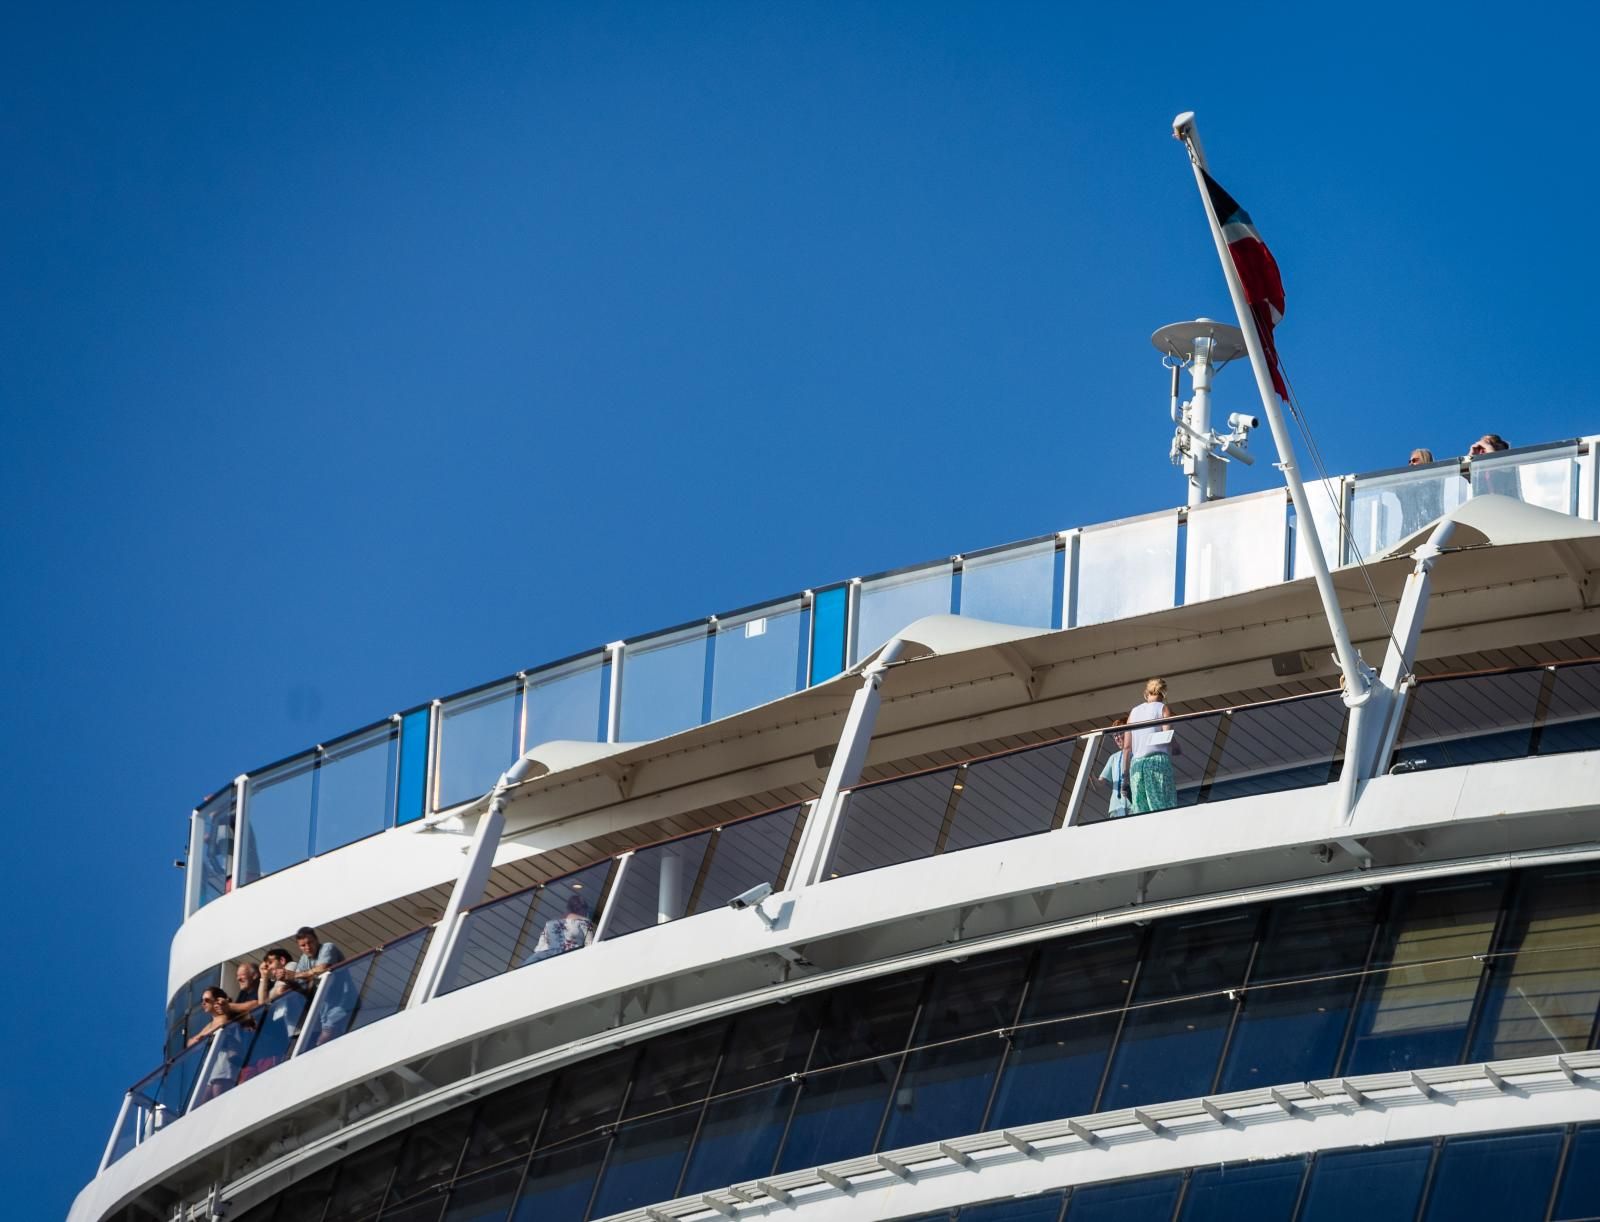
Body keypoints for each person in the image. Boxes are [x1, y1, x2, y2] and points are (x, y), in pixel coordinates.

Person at [186, 987, 256, 1102]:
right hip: (213, 1065)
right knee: (202, 1103)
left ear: (217, 1001)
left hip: (225, 1063)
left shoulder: (225, 1019)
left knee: (219, 1098)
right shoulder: (211, 1024)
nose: (203, 1003)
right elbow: (190, 1043)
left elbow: (216, 1031)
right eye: (202, 1000)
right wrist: (199, 1038)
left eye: (207, 1000)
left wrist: (201, 1038)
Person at [1123, 678, 1177, 815]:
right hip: (1156, 763)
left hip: (1136, 765)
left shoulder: (1134, 712)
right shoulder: (1162, 708)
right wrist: (1176, 746)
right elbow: (1167, 737)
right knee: (1163, 808)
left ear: (1146, 693)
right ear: (1164, 693)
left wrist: (1125, 776)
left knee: (1141, 812)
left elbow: (1127, 747)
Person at [528, 893, 595, 963]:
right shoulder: (585, 923)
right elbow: (589, 946)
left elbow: (540, 948)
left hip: (547, 959)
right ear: (581, 908)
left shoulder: (550, 924)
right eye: (585, 909)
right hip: (571, 958)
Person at [1095, 716, 1131, 819]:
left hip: (1132, 805)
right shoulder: (1113, 758)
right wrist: (1089, 774)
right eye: (1114, 735)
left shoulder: (1136, 753)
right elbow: (1099, 784)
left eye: (1120, 733)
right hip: (1115, 808)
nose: (1117, 738)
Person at [1468, 433, 1519, 499]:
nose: (1485, 448)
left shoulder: (1509, 464)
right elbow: (1463, 474)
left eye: (1493, 445)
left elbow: (1499, 465)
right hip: (1486, 505)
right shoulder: (1479, 471)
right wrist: (1471, 454)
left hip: (1508, 503)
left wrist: (1489, 447)